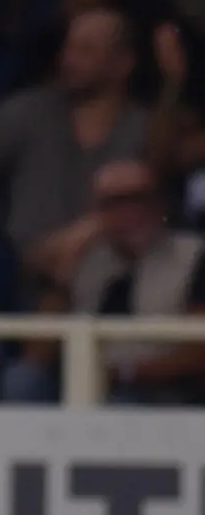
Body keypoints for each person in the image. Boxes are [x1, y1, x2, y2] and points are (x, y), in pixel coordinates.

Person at [0, 6, 148, 296]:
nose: (68, 60)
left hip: (109, 289)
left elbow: (151, 207)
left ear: (124, 63)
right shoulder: (31, 109)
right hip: (19, 285)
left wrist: (80, 238)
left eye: (86, 51)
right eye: (68, 48)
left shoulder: (144, 128)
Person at [64, 159, 205, 405]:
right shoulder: (85, 258)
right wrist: (63, 265)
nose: (128, 211)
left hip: (169, 389)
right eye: (114, 203)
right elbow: (40, 349)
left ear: (160, 203)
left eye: (138, 199)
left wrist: (129, 372)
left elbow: (199, 351)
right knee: (27, 381)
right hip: (88, 381)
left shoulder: (194, 255)